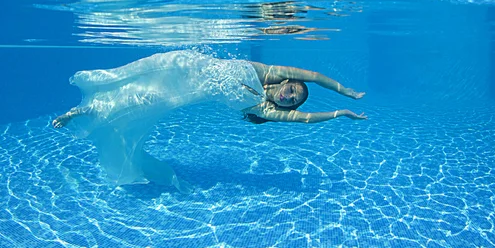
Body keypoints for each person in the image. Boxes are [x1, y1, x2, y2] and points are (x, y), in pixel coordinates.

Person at [52, 50, 366, 192]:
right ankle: (88, 106)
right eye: (293, 90)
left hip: (187, 92)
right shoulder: (268, 71)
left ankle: (87, 112)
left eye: (293, 101)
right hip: (189, 62)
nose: (290, 96)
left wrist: (339, 113)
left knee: (142, 102)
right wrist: (345, 92)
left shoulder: (262, 109)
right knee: (135, 76)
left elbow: (306, 120)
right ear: (288, 82)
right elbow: (315, 76)